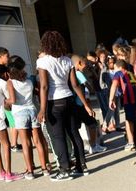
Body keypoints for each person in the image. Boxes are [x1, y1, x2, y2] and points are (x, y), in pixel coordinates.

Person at [37, 31, 94, 181]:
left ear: (45, 44)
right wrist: (86, 105)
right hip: (69, 99)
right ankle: (82, 166)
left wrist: (42, 109)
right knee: (74, 133)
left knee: (58, 136)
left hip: (53, 102)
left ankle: (64, 169)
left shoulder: (43, 62)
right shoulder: (68, 61)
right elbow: (75, 85)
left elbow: (44, 86)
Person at [6, 56, 50, 178]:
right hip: (32, 110)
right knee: (38, 141)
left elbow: (13, 100)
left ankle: (30, 171)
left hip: (19, 113)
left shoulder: (10, 82)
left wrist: (5, 101)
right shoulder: (29, 81)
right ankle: (44, 168)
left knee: (26, 143)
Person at [72, 55, 107, 154]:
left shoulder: (72, 74)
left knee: (76, 127)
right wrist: (91, 89)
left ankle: (79, 148)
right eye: (85, 65)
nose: (86, 68)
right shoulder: (78, 73)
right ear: (79, 63)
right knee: (92, 124)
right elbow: (87, 85)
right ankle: (93, 145)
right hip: (82, 105)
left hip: (77, 105)